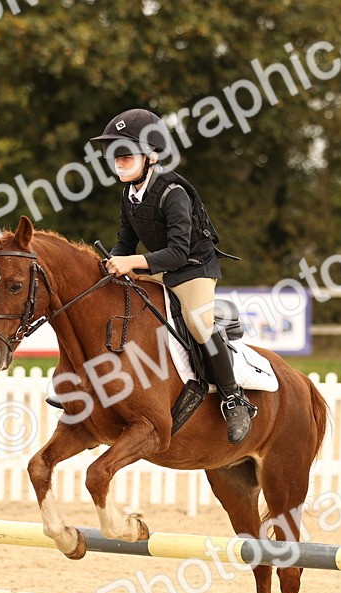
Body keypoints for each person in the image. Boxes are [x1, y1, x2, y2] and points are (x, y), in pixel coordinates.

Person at [91, 108, 255, 444]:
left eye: (125, 155)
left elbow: (180, 252)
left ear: (150, 155)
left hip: (193, 268)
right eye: (114, 157)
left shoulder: (173, 193)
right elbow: (125, 242)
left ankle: (234, 398)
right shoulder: (129, 194)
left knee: (197, 325)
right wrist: (109, 263)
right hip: (160, 267)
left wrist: (132, 262)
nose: (119, 163)